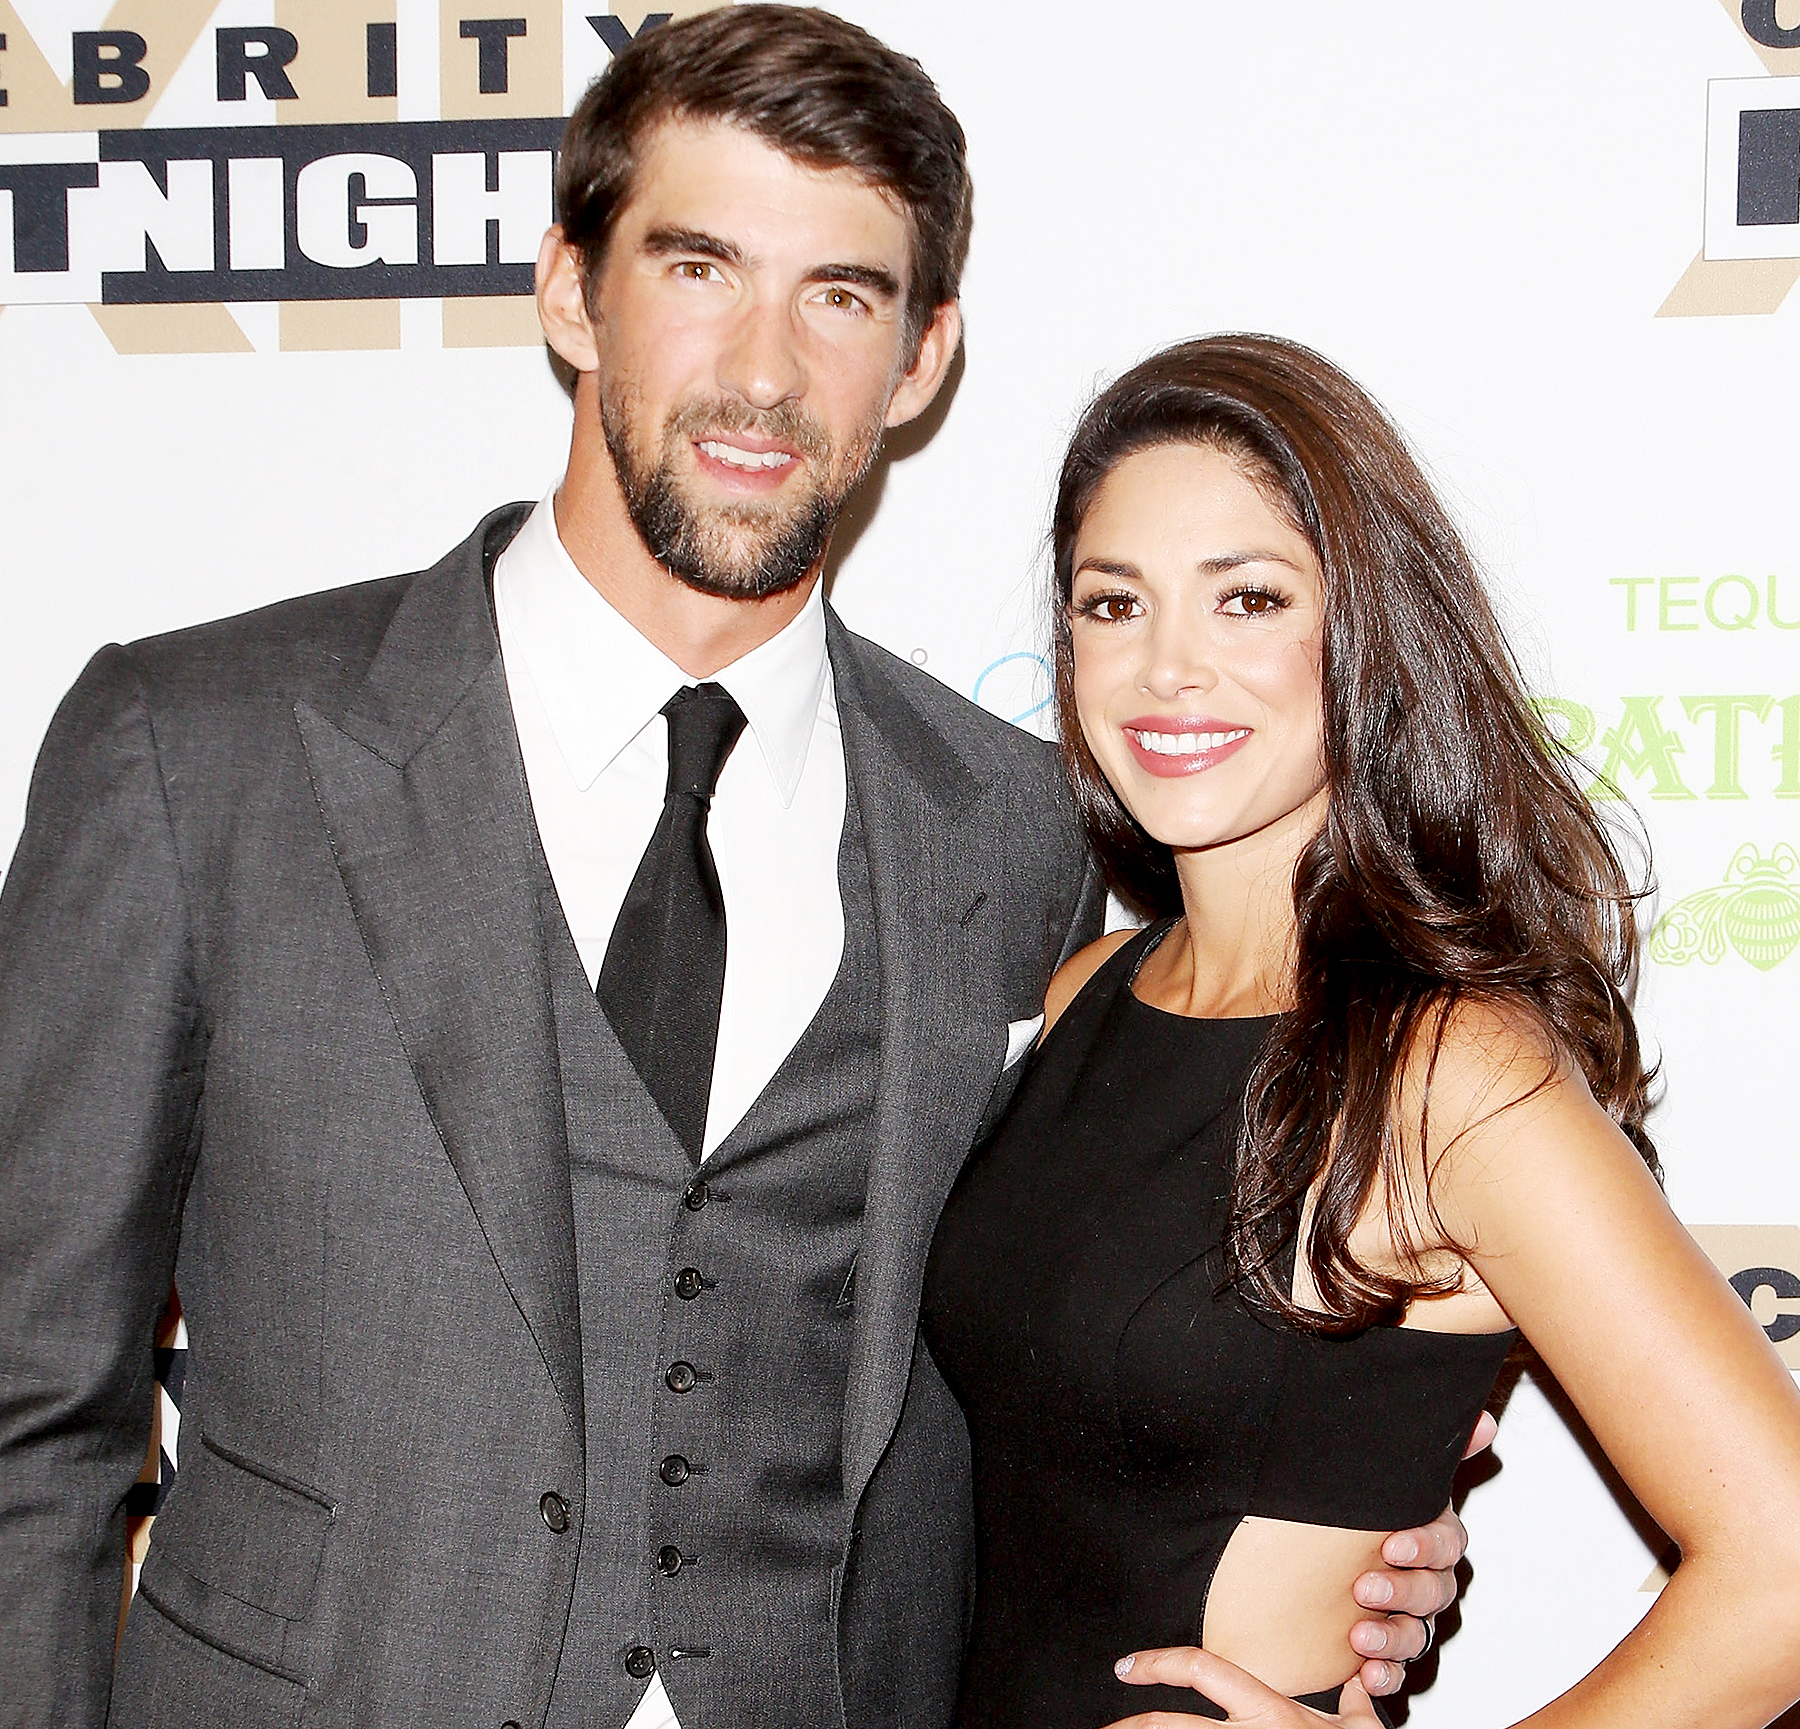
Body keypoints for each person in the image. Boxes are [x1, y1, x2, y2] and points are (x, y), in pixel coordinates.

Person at [0, 17, 1467, 1729]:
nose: (765, 372)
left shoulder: (1022, 828)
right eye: (700, 268)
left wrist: (1335, 1515)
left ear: (921, 359)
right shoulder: (199, 751)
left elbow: (1068, 1359)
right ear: (571, 291)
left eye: (840, 295)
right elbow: (30, 1402)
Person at [920, 332, 1800, 1729]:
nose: (1167, 667)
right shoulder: (1090, 990)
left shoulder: (1453, 1073)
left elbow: (1785, 1570)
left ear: (1365, 634)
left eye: (1249, 599)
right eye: (1113, 603)